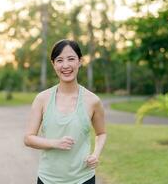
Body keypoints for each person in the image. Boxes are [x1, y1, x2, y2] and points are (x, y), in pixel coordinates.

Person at [24, 39, 107, 184]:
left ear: (80, 61)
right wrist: (55, 143)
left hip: (83, 179)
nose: (66, 65)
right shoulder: (42, 99)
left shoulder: (92, 101)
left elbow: (101, 133)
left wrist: (95, 154)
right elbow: (28, 138)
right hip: (48, 179)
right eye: (60, 60)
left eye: (71, 59)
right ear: (53, 64)